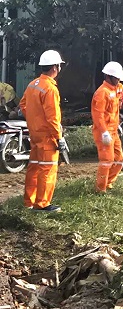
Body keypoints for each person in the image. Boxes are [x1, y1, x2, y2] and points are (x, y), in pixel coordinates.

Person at [19, 50, 67, 212]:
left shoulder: (33, 84)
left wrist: (34, 120)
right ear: (54, 67)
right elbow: (53, 118)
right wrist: (59, 137)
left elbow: (23, 105)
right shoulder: (50, 89)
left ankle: (29, 201)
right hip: (47, 136)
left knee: (34, 168)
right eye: (59, 66)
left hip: (35, 133)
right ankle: (42, 204)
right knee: (47, 169)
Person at [91, 62, 123, 193]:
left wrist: (117, 124)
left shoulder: (118, 88)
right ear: (108, 76)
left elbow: (117, 107)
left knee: (119, 159)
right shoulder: (102, 93)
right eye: (117, 78)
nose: (119, 80)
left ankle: (108, 182)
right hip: (103, 131)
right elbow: (98, 115)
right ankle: (100, 189)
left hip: (113, 130)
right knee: (107, 160)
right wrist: (104, 132)